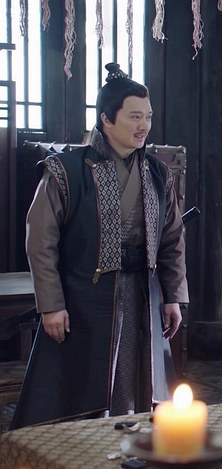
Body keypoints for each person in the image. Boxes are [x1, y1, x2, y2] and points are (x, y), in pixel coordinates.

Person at [12, 63, 188, 428]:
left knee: (137, 380)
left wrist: (172, 296)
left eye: (148, 117)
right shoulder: (66, 169)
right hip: (82, 297)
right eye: (134, 116)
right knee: (77, 388)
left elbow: (172, 239)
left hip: (142, 291)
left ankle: (127, 438)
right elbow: (41, 241)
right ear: (106, 119)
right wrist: (51, 305)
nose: (144, 126)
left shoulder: (157, 172)